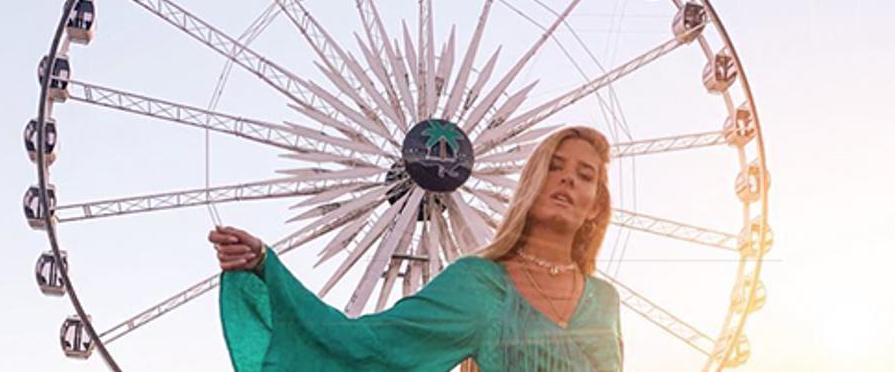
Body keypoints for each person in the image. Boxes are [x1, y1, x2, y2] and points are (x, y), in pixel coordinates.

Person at [209, 125, 623, 371]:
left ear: (595, 207)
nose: (567, 179)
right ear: (531, 186)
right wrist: (268, 268)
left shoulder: (603, 301)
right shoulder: (479, 285)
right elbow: (366, 347)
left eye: (584, 175)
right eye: (554, 167)